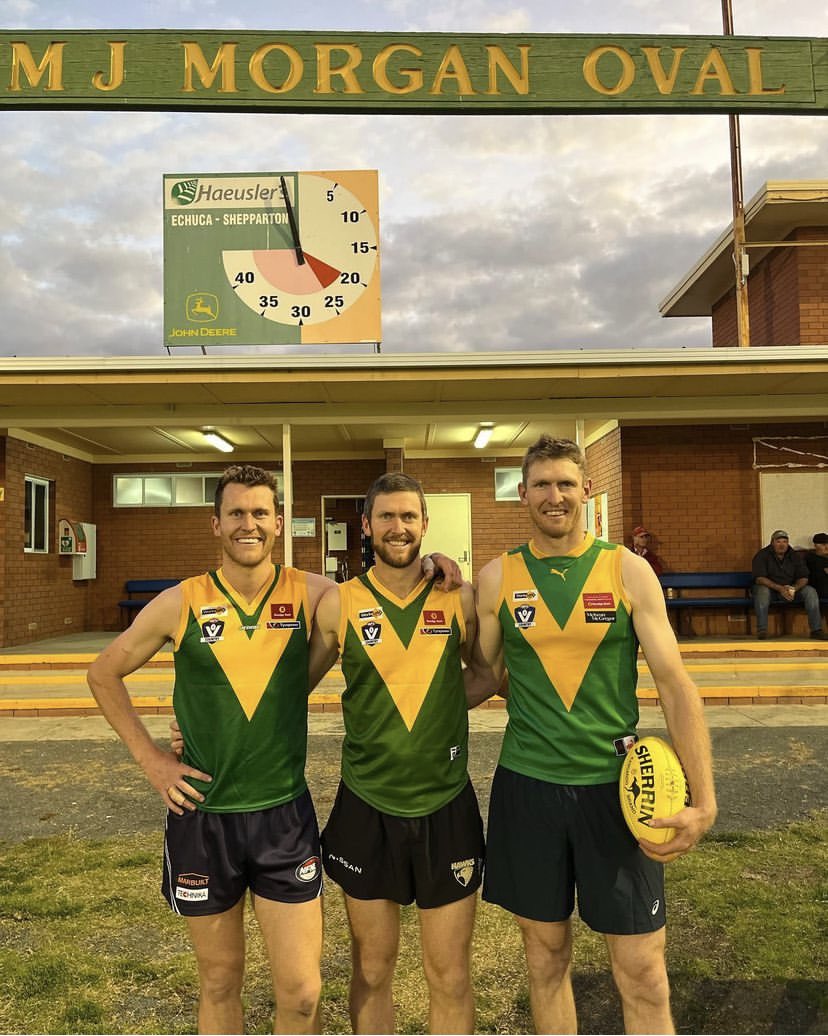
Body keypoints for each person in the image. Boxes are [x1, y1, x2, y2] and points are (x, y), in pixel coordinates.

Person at [472, 436, 717, 1035]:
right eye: (540, 485)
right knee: (545, 959)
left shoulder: (627, 570)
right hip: (528, 790)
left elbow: (675, 685)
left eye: (565, 483)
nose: (553, 496)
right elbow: (482, 677)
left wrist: (704, 800)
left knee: (642, 971)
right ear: (521, 494)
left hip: (618, 793)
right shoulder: (496, 578)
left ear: (586, 490)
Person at [87, 464, 334, 1034]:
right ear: (216, 524)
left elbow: (384, 597)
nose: (249, 524)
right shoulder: (180, 603)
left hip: (282, 816)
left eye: (259, 513)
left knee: (301, 993)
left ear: (278, 523)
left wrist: (432, 565)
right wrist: (153, 760)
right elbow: (104, 673)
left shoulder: (314, 593)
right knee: (221, 983)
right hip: (203, 818)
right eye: (236, 513)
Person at [309, 472, 492, 1035]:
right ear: (366, 525)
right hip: (368, 805)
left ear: (425, 525)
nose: (398, 527)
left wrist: (436, 698)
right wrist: (192, 730)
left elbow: (485, 674)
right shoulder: (340, 604)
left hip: (446, 806)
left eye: (409, 517)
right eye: (386, 516)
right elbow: (284, 688)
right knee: (372, 967)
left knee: (451, 975)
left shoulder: (458, 598)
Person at [751, 529, 827, 640]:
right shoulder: (762, 555)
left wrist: (794, 588)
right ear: (772, 543)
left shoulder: (794, 556)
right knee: (762, 591)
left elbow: (804, 577)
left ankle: (816, 630)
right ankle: (762, 630)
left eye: (784, 542)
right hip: (770, 590)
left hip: (790, 590)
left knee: (810, 591)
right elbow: (760, 579)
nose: (782, 545)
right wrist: (780, 588)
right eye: (778, 542)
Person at [805, 532, 828, 599]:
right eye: (823, 544)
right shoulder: (810, 558)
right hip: (819, 589)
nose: (827, 547)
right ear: (815, 545)